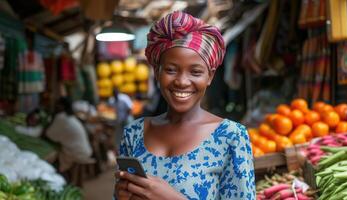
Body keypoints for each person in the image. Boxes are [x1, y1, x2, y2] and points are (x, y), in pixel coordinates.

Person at [114, 11, 255, 200]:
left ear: (210, 76)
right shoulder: (133, 133)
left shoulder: (230, 137)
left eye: (195, 72)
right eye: (171, 70)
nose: (181, 81)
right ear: (157, 72)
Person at [45, 97, 93, 172]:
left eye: (57, 105)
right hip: (86, 151)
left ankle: (62, 177)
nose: (55, 106)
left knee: (52, 157)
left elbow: (49, 134)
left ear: (61, 106)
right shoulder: (71, 117)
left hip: (78, 152)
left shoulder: (61, 117)